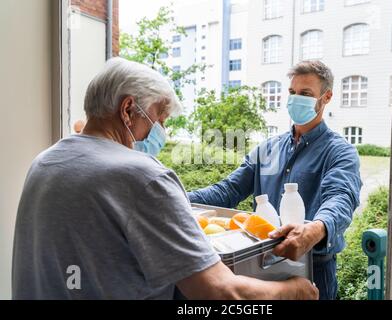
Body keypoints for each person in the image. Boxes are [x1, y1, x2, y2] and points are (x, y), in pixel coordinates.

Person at [12, 57, 317, 300]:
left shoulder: (45, 162)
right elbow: (221, 293)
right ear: (128, 109)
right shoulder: (143, 176)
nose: (162, 132)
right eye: (159, 119)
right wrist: (293, 291)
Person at [188, 60, 362, 300]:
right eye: (292, 92)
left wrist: (314, 229)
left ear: (327, 97)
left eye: (305, 93)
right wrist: (176, 197)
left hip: (313, 269)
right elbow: (227, 190)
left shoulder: (339, 152)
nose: (295, 99)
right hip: (261, 266)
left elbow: (341, 198)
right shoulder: (268, 149)